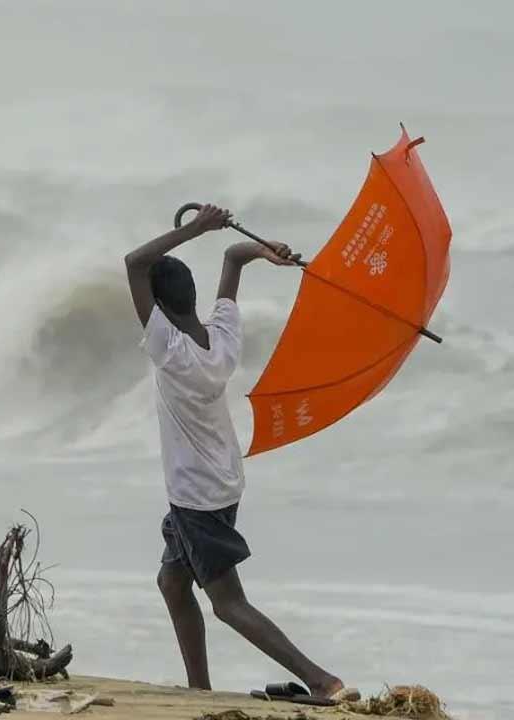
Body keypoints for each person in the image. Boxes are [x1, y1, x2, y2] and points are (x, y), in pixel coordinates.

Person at [124, 204, 353, 701]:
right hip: (222, 481)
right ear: (194, 297)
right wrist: (265, 251)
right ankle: (199, 690)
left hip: (196, 495)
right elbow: (233, 257)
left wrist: (194, 228)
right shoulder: (221, 339)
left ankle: (321, 680)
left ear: (157, 309)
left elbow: (134, 263)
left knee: (227, 603)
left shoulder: (170, 350)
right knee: (172, 582)